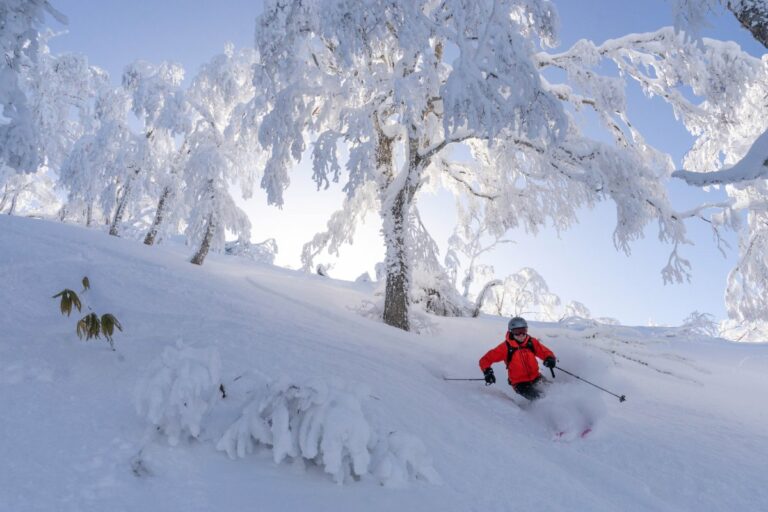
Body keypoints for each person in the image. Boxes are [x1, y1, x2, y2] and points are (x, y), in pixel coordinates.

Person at [479, 316, 557, 401]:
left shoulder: (531, 342)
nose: (521, 335)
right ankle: (541, 412)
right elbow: (485, 360)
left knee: (554, 392)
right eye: (517, 332)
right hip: (520, 383)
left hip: (536, 377)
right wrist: (487, 372)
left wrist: (550, 358)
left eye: (523, 331)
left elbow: (545, 352)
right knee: (541, 399)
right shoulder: (505, 348)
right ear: (511, 332)